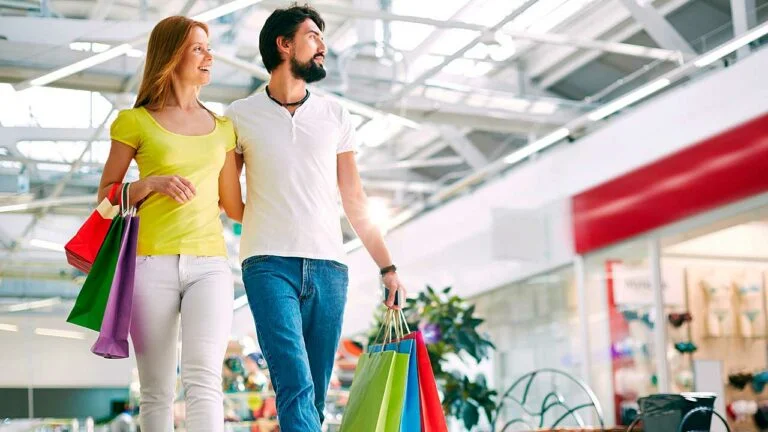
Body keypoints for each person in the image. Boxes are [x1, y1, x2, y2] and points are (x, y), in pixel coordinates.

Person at [221, 5, 406, 431]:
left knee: (315, 393)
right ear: (283, 45)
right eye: (313, 36)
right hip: (267, 264)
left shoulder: (335, 115)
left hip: (328, 267)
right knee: (295, 383)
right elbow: (230, 205)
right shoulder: (238, 115)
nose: (323, 45)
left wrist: (388, 266)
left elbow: (354, 197)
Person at [98, 15, 243, 432]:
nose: (208, 56)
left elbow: (234, 206)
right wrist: (147, 185)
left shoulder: (223, 130)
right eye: (198, 48)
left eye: (208, 48)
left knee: (204, 380)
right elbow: (106, 194)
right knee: (157, 390)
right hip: (149, 264)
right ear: (171, 55)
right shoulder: (135, 121)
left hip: (210, 265)